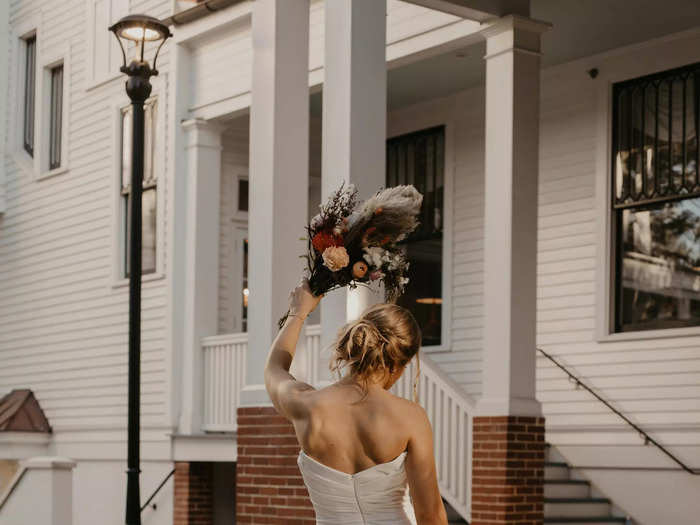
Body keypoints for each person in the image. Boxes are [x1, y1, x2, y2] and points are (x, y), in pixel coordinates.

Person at [264, 278, 448, 525]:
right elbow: (431, 515)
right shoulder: (411, 418)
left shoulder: (306, 404)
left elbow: (274, 369)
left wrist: (299, 312)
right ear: (401, 363)